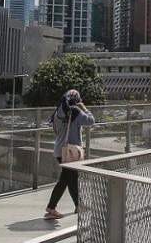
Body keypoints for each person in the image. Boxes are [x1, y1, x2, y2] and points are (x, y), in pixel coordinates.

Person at [44, 89, 94, 220]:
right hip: (71, 152)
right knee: (65, 180)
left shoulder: (58, 112)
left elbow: (55, 131)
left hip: (60, 150)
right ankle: (51, 208)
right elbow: (91, 121)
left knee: (72, 178)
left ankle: (78, 205)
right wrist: (84, 108)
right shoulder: (76, 111)